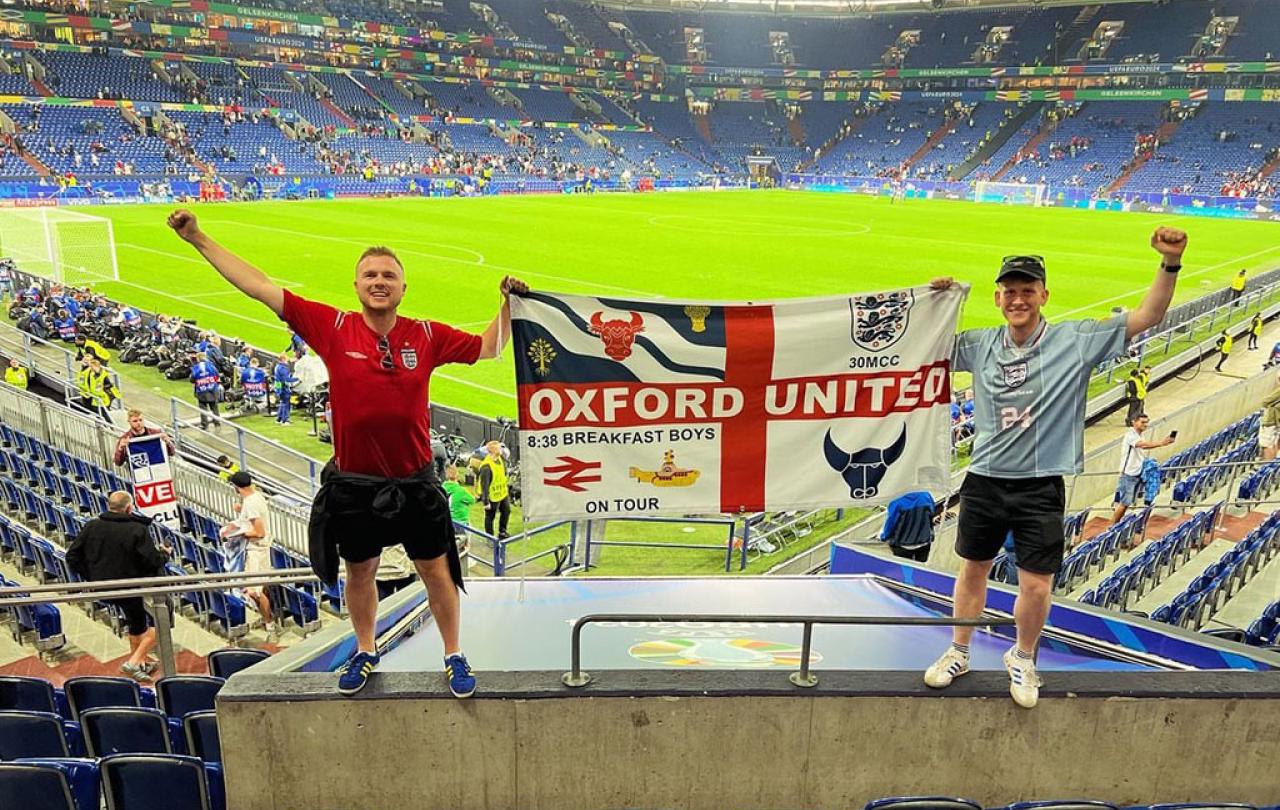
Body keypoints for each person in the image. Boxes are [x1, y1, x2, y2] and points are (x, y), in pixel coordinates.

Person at [167, 207, 527, 698]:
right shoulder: (331, 325)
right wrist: (198, 239)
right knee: (360, 571)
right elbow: (258, 285)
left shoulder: (425, 335)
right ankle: (364, 649)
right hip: (356, 484)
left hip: (415, 481)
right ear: (357, 285)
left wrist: (507, 305)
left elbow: (489, 347)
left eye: (389, 276)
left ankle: (453, 654)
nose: (380, 282)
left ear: (403, 288)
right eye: (370, 275)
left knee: (436, 572)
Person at [924, 228, 1186, 709]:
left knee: (1037, 583)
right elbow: (923, 343)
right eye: (1010, 291)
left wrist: (1170, 261)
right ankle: (959, 650)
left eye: (1027, 290)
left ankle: (1023, 658)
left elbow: (1149, 316)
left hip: (1040, 485)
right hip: (984, 478)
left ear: (1044, 295)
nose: (1018, 299)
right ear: (998, 296)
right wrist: (933, 301)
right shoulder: (981, 345)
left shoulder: (1076, 340)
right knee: (971, 570)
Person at [66, 491, 171, 682]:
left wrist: (92, 576)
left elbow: (72, 556)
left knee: (136, 623)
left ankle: (139, 662)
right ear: (129, 508)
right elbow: (151, 561)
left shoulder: (92, 526)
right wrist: (165, 554)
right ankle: (134, 661)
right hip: (130, 587)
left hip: (103, 587)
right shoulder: (137, 530)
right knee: (162, 618)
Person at [220, 471, 275, 638]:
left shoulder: (250, 504)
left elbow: (259, 532)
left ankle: (269, 623)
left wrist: (236, 534)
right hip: (259, 549)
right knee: (261, 587)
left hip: (255, 550)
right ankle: (267, 618)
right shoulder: (254, 497)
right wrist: (240, 511)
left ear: (236, 487)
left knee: (254, 591)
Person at [1112, 413, 1174, 523]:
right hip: (1128, 474)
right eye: (1142, 422)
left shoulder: (1140, 435)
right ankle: (1112, 526)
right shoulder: (1130, 435)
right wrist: (1161, 443)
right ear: (1134, 422)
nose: (1145, 425)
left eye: (1147, 422)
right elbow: (1142, 445)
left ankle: (1116, 524)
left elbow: (1142, 447)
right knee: (1124, 502)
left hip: (1136, 472)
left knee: (1127, 503)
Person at [879, 490, 937, 562]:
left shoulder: (896, 501)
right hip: (924, 542)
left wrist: (883, 536)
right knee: (920, 568)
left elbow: (891, 524)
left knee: (905, 571)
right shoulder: (926, 496)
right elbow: (932, 513)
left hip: (902, 545)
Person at [477, 439, 511, 540]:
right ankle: (490, 538)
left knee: (506, 511)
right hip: (492, 496)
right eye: (499, 447)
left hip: (502, 493)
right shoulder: (486, 467)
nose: (501, 449)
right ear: (493, 451)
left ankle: (502, 531)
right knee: (490, 517)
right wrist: (486, 502)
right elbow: (485, 486)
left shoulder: (500, 459)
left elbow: (503, 472)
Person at [76, 355, 117, 421]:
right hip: (88, 395)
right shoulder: (86, 371)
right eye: (84, 360)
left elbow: (107, 385)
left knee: (103, 414)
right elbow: (82, 380)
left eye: (87, 361)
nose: (85, 362)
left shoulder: (101, 374)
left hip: (101, 398)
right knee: (91, 412)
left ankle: (111, 427)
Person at [190, 350, 222, 429]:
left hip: (201, 391)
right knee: (214, 407)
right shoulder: (211, 366)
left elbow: (192, 379)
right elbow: (217, 375)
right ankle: (217, 423)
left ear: (198, 359)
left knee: (203, 408)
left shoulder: (195, 368)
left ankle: (204, 424)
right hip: (212, 389)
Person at [272, 353, 297, 425]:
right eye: (286, 359)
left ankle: (279, 419)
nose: (287, 360)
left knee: (282, 402)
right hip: (283, 387)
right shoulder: (282, 368)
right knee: (286, 403)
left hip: (279, 386)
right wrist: (297, 379)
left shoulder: (278, 366)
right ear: (283, 359)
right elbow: (287, 379)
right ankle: (285, 420)